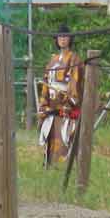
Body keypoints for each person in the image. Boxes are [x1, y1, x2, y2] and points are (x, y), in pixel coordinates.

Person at [37, 24, 82, 167]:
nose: (62, 39)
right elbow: (46, 82)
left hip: (65, 105)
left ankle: (65, 168)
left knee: (65, 138)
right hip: (51, 104)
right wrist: (44, 103)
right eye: (60, 36)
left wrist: (69, 102)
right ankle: (49, 166)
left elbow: (75, 82)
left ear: (70, 39)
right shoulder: (52, 60)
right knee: (50, 137)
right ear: (56, 39)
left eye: (65, 36)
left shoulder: (75, 59)